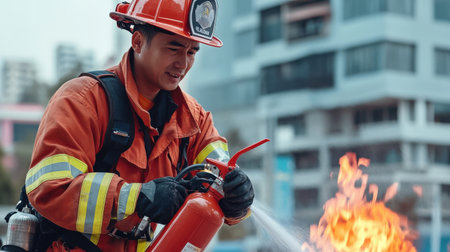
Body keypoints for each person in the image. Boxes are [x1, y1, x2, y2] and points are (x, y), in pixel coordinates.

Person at [24, 0, 254, 251]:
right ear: (138, 42)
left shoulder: (194, 121)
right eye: (173, 48)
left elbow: (221, 182)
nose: (183, 63)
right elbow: (50, 189)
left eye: (192, 52)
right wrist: (139, 198)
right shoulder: (83, 100)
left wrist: (237, 197)